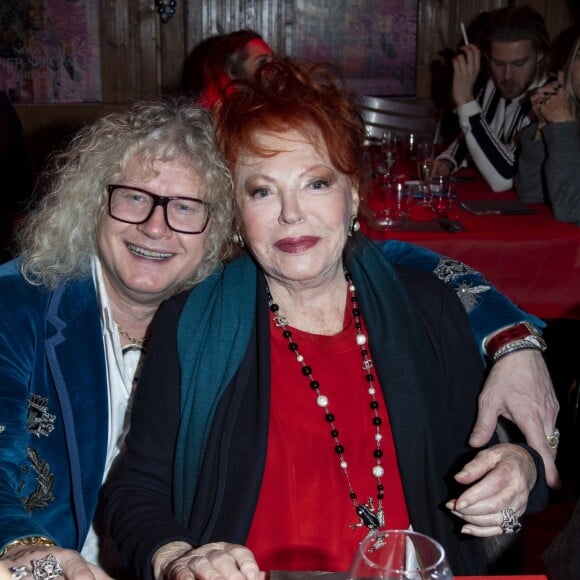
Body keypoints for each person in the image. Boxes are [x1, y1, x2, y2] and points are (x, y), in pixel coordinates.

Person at [104, 59, 549, 579]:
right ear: (236, 214)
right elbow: (135, 490)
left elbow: (510, 460)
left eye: (315, 183)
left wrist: (518, 470)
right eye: (262, 190)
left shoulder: (427, 307)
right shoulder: (192, 324)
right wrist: (176, 556)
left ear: (353, 194)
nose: (291, 214)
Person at [0, 99, 233, 578]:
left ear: (216, 231)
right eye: (133, 197)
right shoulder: (16, 302)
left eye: (185, 207)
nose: (154, 226)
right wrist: (22, 548)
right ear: (93, 203)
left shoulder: (223, 321)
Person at [432, 6, 551, 192]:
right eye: (498, 63)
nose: (507, 76)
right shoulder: (493, 85)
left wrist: (465, 101)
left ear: (540, 55)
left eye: (519, 63)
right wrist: (449, 160)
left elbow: (505, 177)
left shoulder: (550, 98)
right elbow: (475, 133)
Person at [514, 35, 580, 226]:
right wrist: (543, 128)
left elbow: (572, 210)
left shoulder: (567, 127)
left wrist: (562, 126)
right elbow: (532, 194)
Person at [199, 28, 273, 108]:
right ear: (233, 72)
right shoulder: (215, 114)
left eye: (274, 59)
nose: (274, 67)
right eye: (262, 62)